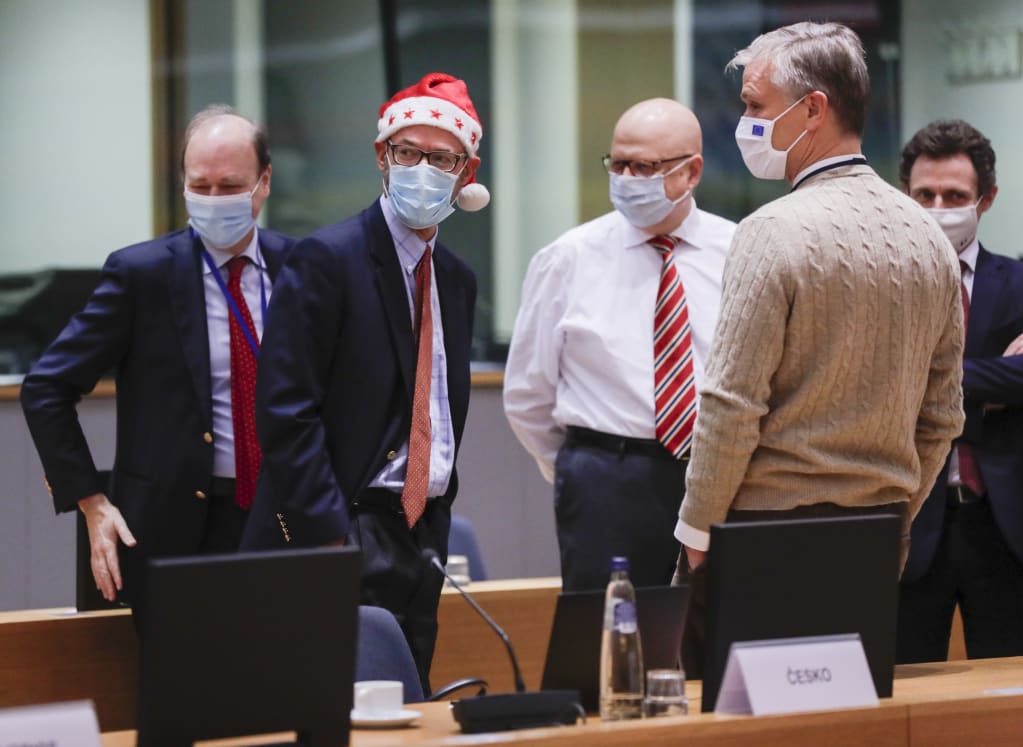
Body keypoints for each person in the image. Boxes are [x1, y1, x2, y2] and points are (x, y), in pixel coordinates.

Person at [672, 22, 965, 675]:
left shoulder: (771, 232)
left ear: (813, 110)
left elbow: (729, 405)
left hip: (763, 535)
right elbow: (944, 417)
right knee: (841, 724)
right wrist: (890, 511)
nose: (744, 122)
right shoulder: (929, 240)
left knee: (733, 726)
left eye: (755, 106)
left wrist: (696, 532)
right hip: (874, 538)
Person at [240, 73, 486, 691]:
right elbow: (285, 411)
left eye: (441, 158)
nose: (422, 169)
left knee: (408, 706)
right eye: (408, 152)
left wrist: (435, 510)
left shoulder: (455, 277)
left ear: (466, 171)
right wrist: (327, 536)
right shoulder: (328, 259)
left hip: (419, 535)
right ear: (383, 157)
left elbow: (439, 405)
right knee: (320, 706)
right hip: (339, 529)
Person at [21, 105, 295, 610]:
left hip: (283, 518)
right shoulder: (141, 275)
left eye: (231, 186)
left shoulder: (301, 267)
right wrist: (91, 500)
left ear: (265, 182)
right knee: (187, 686)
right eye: (201, 185)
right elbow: (46, 388)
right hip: (176, 526)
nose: (214, 200)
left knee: (286, 680)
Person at [503, 98, 735, 591]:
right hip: (607, 479)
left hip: (717, 474)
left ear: (691, 171)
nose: (627, 178)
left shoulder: (739, 251)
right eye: (619, 163)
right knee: (608, 641)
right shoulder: (567, 258)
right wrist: (582, 465)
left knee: (714, 636)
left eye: (645, 166)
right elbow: (528, 394)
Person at [896, 119, 1023, 663]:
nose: (939, 205)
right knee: (902, 704)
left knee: (1015, 702)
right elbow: (878, 387)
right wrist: (994, 382)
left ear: (986, 199)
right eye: (925, 194)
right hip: (909, 525)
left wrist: (927, 389)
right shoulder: (879, 289)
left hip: (1005, 528)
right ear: (903, 196)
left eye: (956, 195)